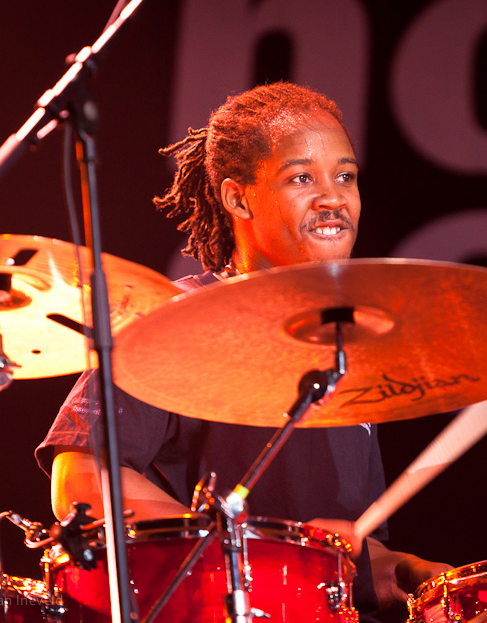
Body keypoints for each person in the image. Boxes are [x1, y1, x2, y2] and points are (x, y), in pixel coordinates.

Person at [35, 82, 449, 621]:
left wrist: (420, 577)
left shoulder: (349, 344)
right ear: (236, 197)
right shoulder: (179, 322)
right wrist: (258, 557)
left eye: (345, 176)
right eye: (302, 178)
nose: (333, 198)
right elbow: (81, 480)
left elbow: (343, 556)